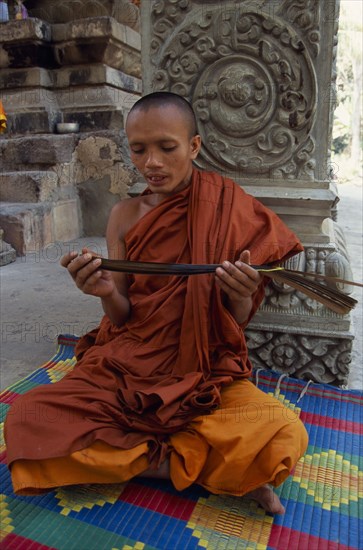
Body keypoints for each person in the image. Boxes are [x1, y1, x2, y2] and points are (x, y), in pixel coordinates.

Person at [5, 92, 308, 515]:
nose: (152, 163)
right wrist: (106, 291)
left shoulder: (225, 205)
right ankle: (194, 465)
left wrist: (240, 294)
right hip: (128, 366)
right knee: (28, 420)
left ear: (194, 147)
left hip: (202, 370)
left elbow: (234, 325)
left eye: (167, 148)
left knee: (283, 429)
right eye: (139, 149)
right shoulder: (125, 215)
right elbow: (122, 314)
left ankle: (143, 457)